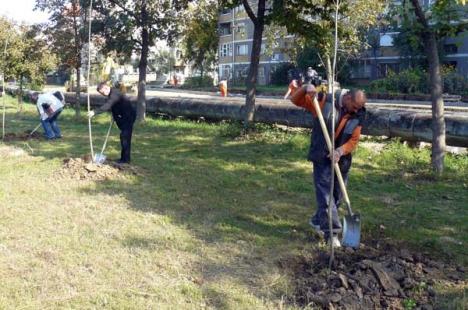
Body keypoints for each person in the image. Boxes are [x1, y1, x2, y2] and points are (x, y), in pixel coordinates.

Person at [290, 85, 366, 247]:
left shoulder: (358, 112)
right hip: (321, 155)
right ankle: (332, 234)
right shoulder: (324, 100)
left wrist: (340, 151)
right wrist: (305, 88)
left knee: (337, 197)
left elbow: (354, 140)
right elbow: (295, 100)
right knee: (326, 197)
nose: (356, 110)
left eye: (359, 108)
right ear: (347, 99)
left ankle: (318, 220)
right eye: (355, 106)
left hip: (342, 159)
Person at [88, 82, 137, 164]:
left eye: (103, 92)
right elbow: (115, 105)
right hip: (122, 116)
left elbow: (108, 105)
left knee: (125, 137)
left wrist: (94, 112)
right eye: (101, 93)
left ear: (106, 87)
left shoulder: (115, 94)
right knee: (123, 137)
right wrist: (114, 116)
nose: (103, 94)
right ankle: (123, 158)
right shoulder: (111, 94)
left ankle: (125, 160)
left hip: (128, 117)